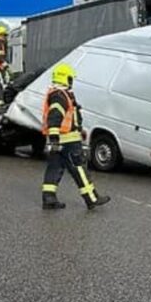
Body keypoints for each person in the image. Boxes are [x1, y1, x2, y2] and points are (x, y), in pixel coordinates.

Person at [41, 63, 110, 211]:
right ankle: (92, 198)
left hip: (60, 140)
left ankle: (49, 198)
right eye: (71, 78)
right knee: (79, 168)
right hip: (69, 141)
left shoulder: (56, 94)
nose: (72, 81)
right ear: (66, 78)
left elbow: (68, 117)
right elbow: (55, 116)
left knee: (54, 168)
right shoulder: (60, 95)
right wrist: (55, 136)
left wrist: (78, 130)